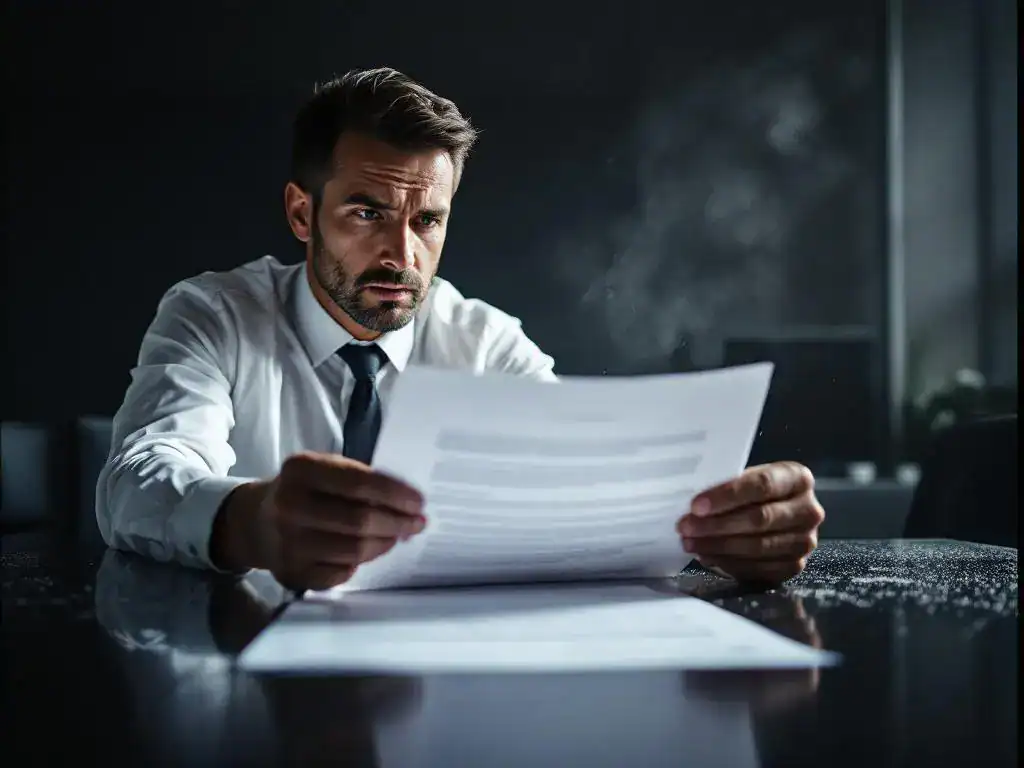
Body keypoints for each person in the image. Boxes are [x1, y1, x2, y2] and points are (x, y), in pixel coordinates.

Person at [97, 67, 825, 591]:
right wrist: (252, 520)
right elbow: (140, 476)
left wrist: (723, 532)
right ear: (301, 213)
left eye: (428, 220)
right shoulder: (214, 316)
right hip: (249, 676)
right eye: (366, 213)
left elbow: (583, 485)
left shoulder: (485, 342)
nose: (401, 254)